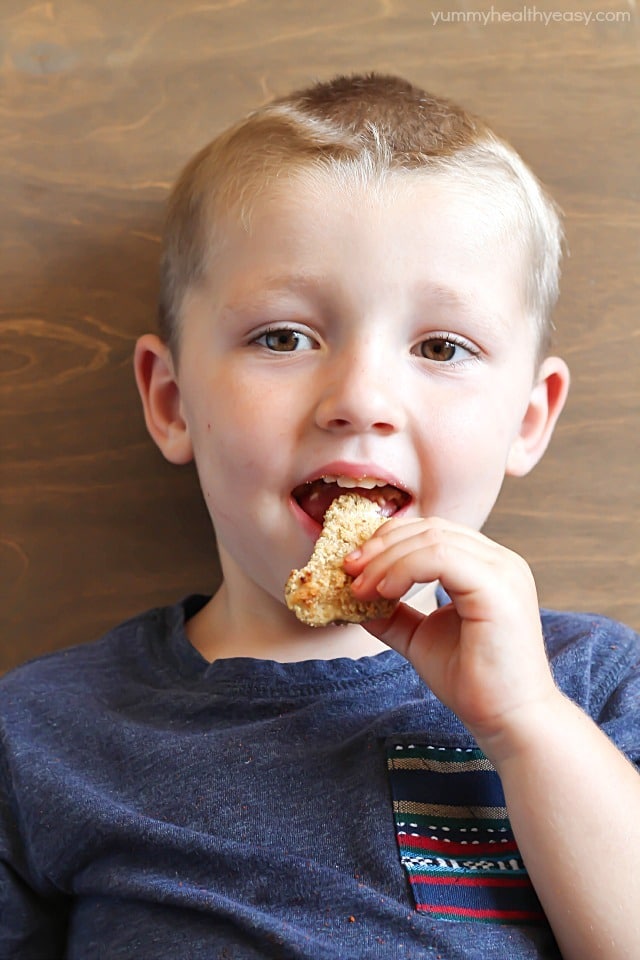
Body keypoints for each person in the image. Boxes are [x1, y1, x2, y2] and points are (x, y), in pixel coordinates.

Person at [1, 73, 638, 960]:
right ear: (174, 401)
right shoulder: (41, 731)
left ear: (528, 418)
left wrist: (526, 725)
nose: (361, 399)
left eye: (441, 347)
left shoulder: (593, 687)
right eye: (285, 337)